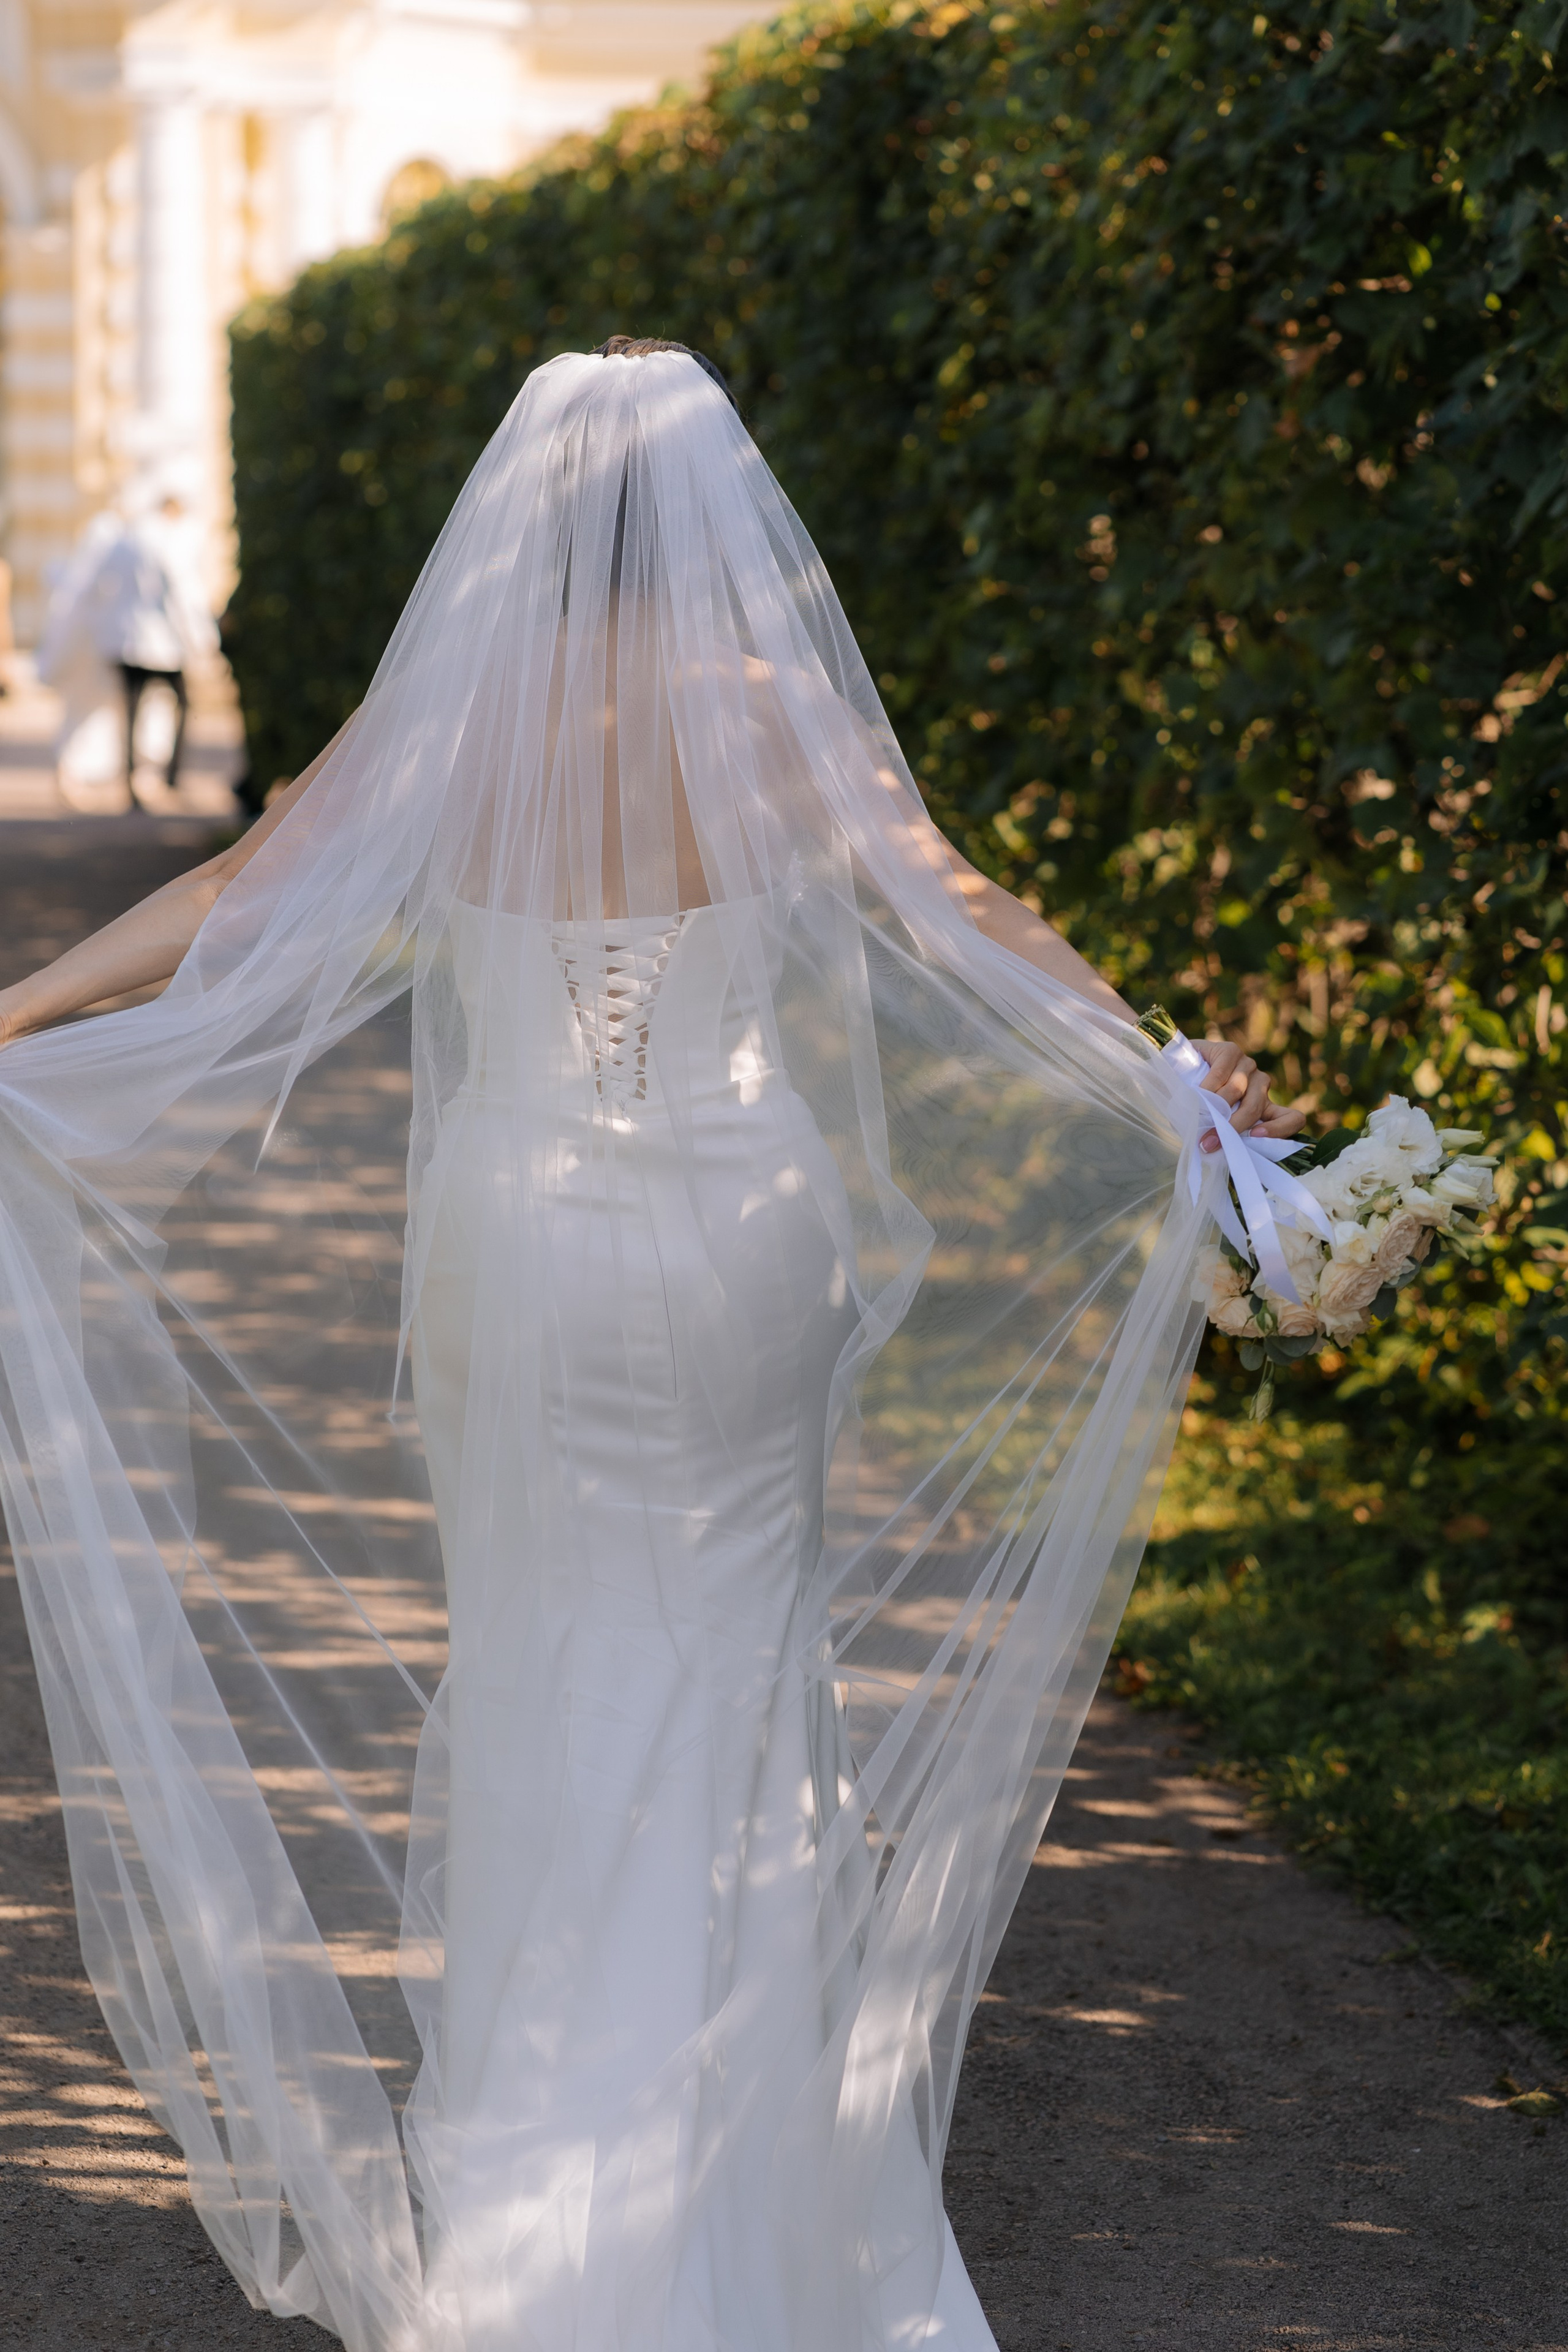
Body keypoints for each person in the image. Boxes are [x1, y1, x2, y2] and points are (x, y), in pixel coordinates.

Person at [0, 343, 1301, 2352]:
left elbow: (236, 900)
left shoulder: (461, 710)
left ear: (518, 518)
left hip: (515, 1231)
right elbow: (957, 910)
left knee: (538, 1651)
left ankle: (543, 2171)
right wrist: (1163, 1082)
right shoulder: (762, 709)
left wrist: (15, 1016)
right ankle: (746, 2168)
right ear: (713, 512)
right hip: (731, 1223)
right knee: (736, 1652)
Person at [36, 488, 217, 807]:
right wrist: (204, 642)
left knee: (130, 712)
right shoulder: (165, 543)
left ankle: (133, 780)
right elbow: (182, 596)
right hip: (162, 647)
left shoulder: (122, 542)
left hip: (121, 643)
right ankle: (164, 777)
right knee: (173, 706)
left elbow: (91, 587)